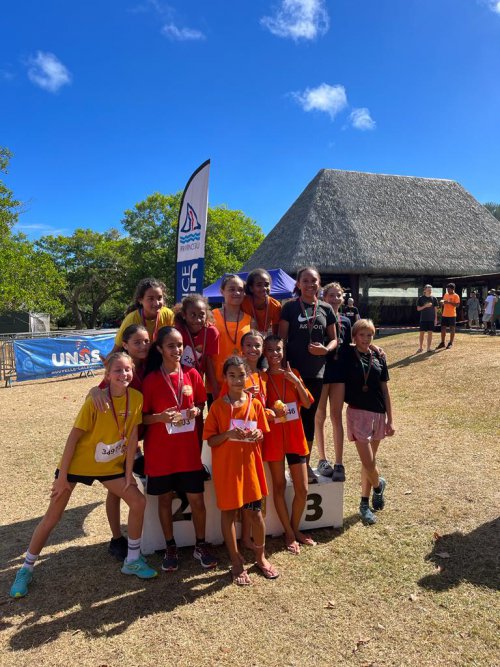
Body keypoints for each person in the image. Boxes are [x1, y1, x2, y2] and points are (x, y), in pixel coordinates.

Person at [10, 352, 158, 598]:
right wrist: (62, 478)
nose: (123, 374)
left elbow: (133, 436)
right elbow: (73, 438)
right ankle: (26, 568)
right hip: (77, 466)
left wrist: (128, 474)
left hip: (110, 467)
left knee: (138, 501)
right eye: (118, 370)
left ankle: (132, 560)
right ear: (107, 375)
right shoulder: (96, 401)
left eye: (127, 369)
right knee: (52, 517)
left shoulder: (137, 398)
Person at [141, 327, 217, 572]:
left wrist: (196, 410)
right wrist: (160, 418)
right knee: (164, 500)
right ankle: (170, 546)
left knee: (197, 500)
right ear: (160, 348)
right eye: (171, 345)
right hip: (161, 454)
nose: (177, 350)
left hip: (188, 453)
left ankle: (200, 544)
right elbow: (142, 419)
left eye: (180, 345)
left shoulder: (192, 374)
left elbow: (201, 403)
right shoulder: (151, 380)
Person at [203, 356, 278, 585]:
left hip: (250, 469)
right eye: (232, 375)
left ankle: (260, 557)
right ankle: (235, 561)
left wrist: (258, 434)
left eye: (241, 375)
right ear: (225, 378)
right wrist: (227, 434)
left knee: (255, 514)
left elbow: (262, 433)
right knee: (228, 514)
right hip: (227, 471)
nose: (237, 380)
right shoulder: (217, 407)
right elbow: (211, 440)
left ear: (248, 376)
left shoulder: (255, 404)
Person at [89, 324, 151, 561]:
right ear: (125, 345)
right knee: (116, 491)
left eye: (146, 341)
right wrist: (94, 391)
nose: (143, 345)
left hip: (142, 437)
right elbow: (100, 390)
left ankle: (145, 533)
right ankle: (116, 538)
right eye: (137, 342)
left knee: (136, 487)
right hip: (120, 444)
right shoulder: (121, 367)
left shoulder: (150, 363)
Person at [331, 319, 395, 525]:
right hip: (357, 413)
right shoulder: (348, 354)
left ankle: (364, 504)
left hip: (378, 414)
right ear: (354, 337)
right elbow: (338, 342)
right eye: (362, 335)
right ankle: (378, 485)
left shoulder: (379, 358)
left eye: (370, 335)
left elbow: (385, 391)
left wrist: (390, 420)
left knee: (370, 462)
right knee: (368, 461)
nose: (366, 339)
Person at [278, 267, 338, 483]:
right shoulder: (289, 307)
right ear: (298, 284)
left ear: (319, 283)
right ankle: (288, 467)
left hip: (316, 373)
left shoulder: (326, 308)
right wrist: (282, 367)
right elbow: (281, 340)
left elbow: (334, 339)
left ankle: (305, 466)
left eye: (314, 280)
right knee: (289, 418)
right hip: (292, 373)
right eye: (305, 280)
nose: (310, 284)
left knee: (308, 419)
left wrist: (326, 350)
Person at [263, 335, 315, 554]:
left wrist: (295, 381)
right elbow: (259, 410)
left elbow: (307, 403)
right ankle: (289, 533)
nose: (275, 353)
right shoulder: (262, 378)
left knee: (302, 489)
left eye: (278, 349)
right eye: (270, 350)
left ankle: (294, 529)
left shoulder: (294, 374)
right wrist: (271, 413)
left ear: (283, 351)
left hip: (295, 438)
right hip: (274, 440)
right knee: (279, 486)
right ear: (265, 353)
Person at [314, 282, 352, 481]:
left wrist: (372, 347)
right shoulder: (318, 318)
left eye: (339, 295)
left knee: (336, 416)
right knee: (319, 415)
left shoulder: (346, 320)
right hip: (321, 372)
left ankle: (339, 462)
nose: (336, 299)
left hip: (339, 373)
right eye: (331, 295)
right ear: (324, 297)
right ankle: (322, 459)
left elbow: (352, 344)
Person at [173, 294, 219, 442]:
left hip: (197, 382)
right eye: (192, 315)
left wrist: (215, 392)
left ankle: (196, 447)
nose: (197, 320)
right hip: (177, 380)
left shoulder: (211, 332)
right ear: (184, 315)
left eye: (201, 315)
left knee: (196, 415)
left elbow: (209, 362)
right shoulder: (177, 332)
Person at [210, 274, 253, 401]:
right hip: (216, 382)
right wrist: (213, 385)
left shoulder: (250, 320)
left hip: (241, 383)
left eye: (240, 289)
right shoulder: (211, 317)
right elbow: (207, 355)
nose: (237, 293)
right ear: (222, 291)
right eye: (231, 289)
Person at [111, 277, 174, 353]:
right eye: (151, 299)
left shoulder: (168, 314)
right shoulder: (131, 319)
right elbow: (116, 350)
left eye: (159, 298)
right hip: (135, 360)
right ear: (140, 300)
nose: (156, 303)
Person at [242, 268, 282, 336]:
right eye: (259, 285)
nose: (264, 288)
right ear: (251, 288)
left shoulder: (275, 305)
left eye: (266, 285)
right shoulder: (243, 303)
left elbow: (276, 332)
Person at [436, 283, 460, 349]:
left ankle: (450, 343)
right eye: (447, 289)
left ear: (453, 289)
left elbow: (457, 305)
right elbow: (443, 303)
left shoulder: (456, 296)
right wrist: (442, 303)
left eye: (449, 289)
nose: (448, 290)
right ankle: (442, 342)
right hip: (444, 314)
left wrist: (449, 302)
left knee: (452, 329)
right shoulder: (446, 295)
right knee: (443, 328)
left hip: (452, 315)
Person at [416, 285, 438, 352]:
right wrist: (425, 306)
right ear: (425, 290)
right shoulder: (421, 298)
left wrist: (436, 319)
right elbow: (418, 309)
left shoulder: (434, 298)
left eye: (430, 290)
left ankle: (428, 348)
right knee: (421, 333)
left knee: (430, 333)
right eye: (428, 290)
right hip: (423, 319)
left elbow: (435, 309)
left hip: (431, 319)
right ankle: (420, 348)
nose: (430, 291)